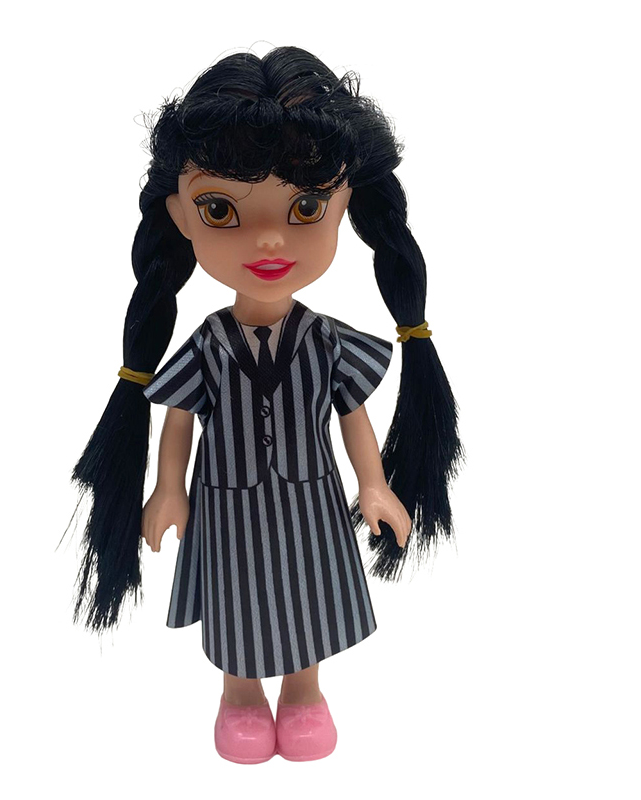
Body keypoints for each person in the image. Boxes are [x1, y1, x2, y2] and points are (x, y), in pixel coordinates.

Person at [67, 45, 464, 763]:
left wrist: (374, 484)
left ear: (345, 206)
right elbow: (179, 419)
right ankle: (241, 694)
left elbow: (353, 417)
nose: (270, 238)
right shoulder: (209, 344)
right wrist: (168, 489)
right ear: (181, 216)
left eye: (306, 206)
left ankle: (305, 691)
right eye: (221, 210)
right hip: (226, 506)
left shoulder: (328, 341)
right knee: (237, 597)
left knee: (310, 593)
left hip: (312, 501)